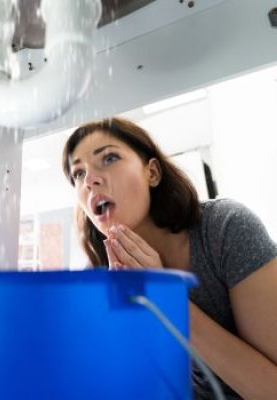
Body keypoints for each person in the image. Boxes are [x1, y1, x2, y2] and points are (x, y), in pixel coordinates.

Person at [62, 117, 277, 399]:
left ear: (152, 173)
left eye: (109, 158)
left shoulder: (224, 229)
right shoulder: (99, 276)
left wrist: (167, 300)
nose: (90, 180)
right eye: (78, 173)